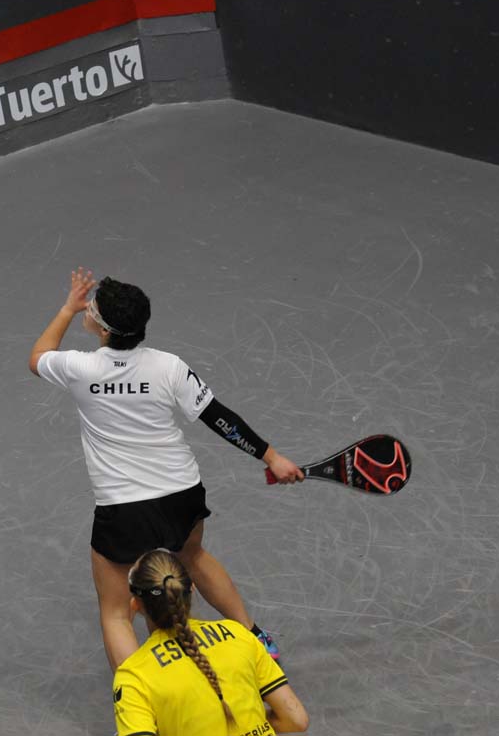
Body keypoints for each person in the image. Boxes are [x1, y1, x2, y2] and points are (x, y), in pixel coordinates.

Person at [29, 267, 305, 671]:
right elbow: (219, 417)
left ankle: (137, 695)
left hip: (123, 508)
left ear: (102, 328)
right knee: (192, 555)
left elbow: (37, 357)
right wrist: (272, 457)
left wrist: (67, 309)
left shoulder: (78, 368)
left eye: (91, 308)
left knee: (115, 612)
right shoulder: (169, 366)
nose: (87, 308)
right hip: (182, 494)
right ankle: (254, 635)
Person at [113, 548, 309, 735]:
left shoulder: (134, 675)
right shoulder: (238, 634)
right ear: (192, 588)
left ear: (135, 604)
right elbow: (296, 719)